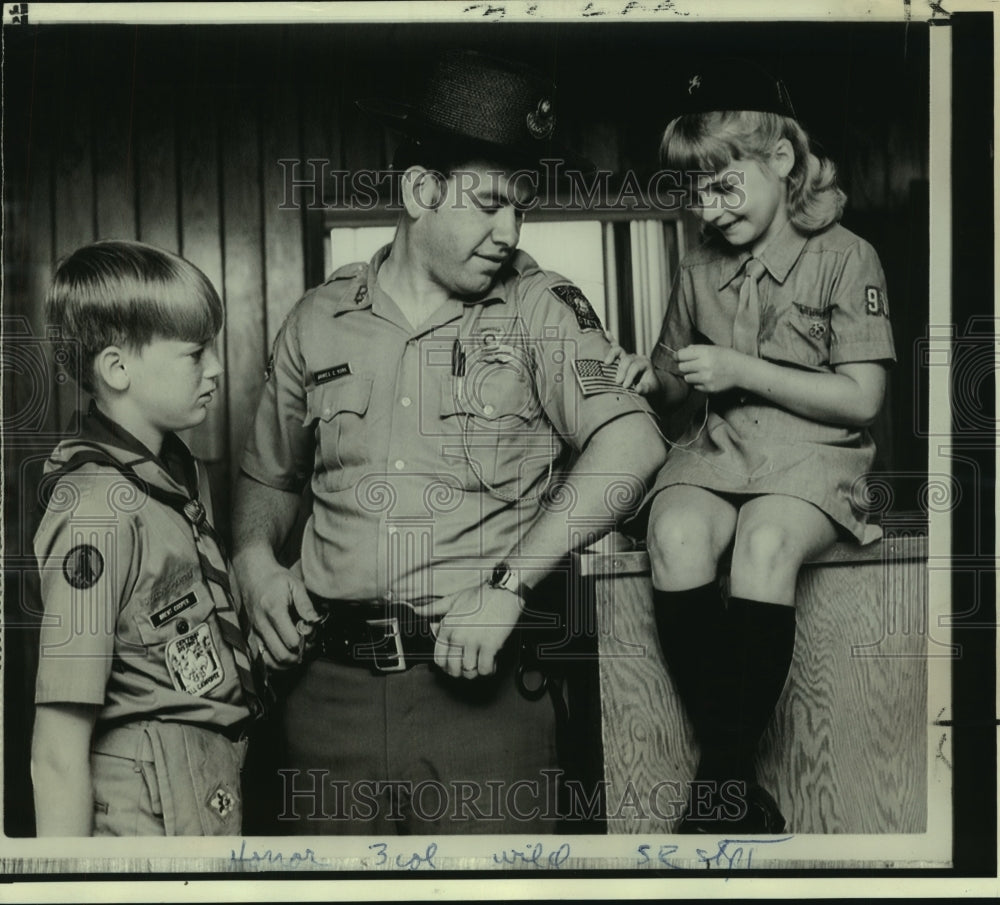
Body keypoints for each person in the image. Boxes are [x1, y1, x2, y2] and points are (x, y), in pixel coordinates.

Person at [233, 49, 667, 835]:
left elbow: (633, 444)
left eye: (521, 207)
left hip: (483, 708)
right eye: (490, 203)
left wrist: (509, 585)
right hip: (322, 700)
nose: (510, 229)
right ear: (420, 191)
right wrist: (254, 562)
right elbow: (268, 476)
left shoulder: (541, 310)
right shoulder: (316, 319)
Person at [609, 61, 896, 833]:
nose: (708, 205)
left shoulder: (848, 255)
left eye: (724, 185)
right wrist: (649, 376)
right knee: (673, 533)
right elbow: (676, 385)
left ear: (782, 161)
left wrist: (739, 368)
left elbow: (863, 396)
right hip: (718, 447)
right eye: (695, 189)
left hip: (814, 454)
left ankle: (720, 777)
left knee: (764, 542)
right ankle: (733, 781)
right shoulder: (698, 262)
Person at [31, 240, 268, 836]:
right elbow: (57, 749)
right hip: (143, 807)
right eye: (195, 354)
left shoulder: (178, 478)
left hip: (205, 781)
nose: (216, 368)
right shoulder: (95, 510)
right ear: (117, 369)